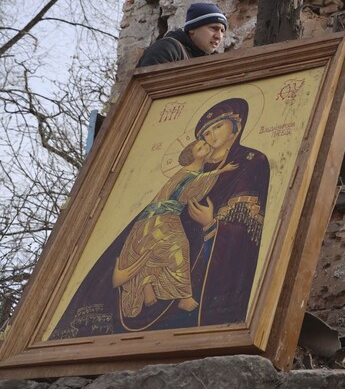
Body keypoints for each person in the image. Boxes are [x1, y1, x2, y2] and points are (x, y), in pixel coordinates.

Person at [50, 97, 271, 337]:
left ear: (236, 125)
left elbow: (251, 230)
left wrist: (211, 224)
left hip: (210, 268)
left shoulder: (251, 162)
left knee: (175, 249)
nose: (212, 135)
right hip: (164, 226)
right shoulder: (194, 170)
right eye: (206, 133)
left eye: (218, 126)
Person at [112, 139, 238, 319]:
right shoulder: (187, 172)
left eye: (206, 146)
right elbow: (188, 191)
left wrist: (220, 165)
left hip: (163, 215)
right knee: (176, 247)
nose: (205, 147)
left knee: (155, 250)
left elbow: (195, 187)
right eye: (199, 146)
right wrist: (220, 171)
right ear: (190, 153)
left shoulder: (198, 171)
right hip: (161, 215)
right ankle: (183, 296)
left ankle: (148, 283)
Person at [136, 1, 228, 67]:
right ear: (192, 29)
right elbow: (151, 90)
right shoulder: (167, 49)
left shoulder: (212, 63)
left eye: (222, 31)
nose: (218, 36)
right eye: (213, 28)